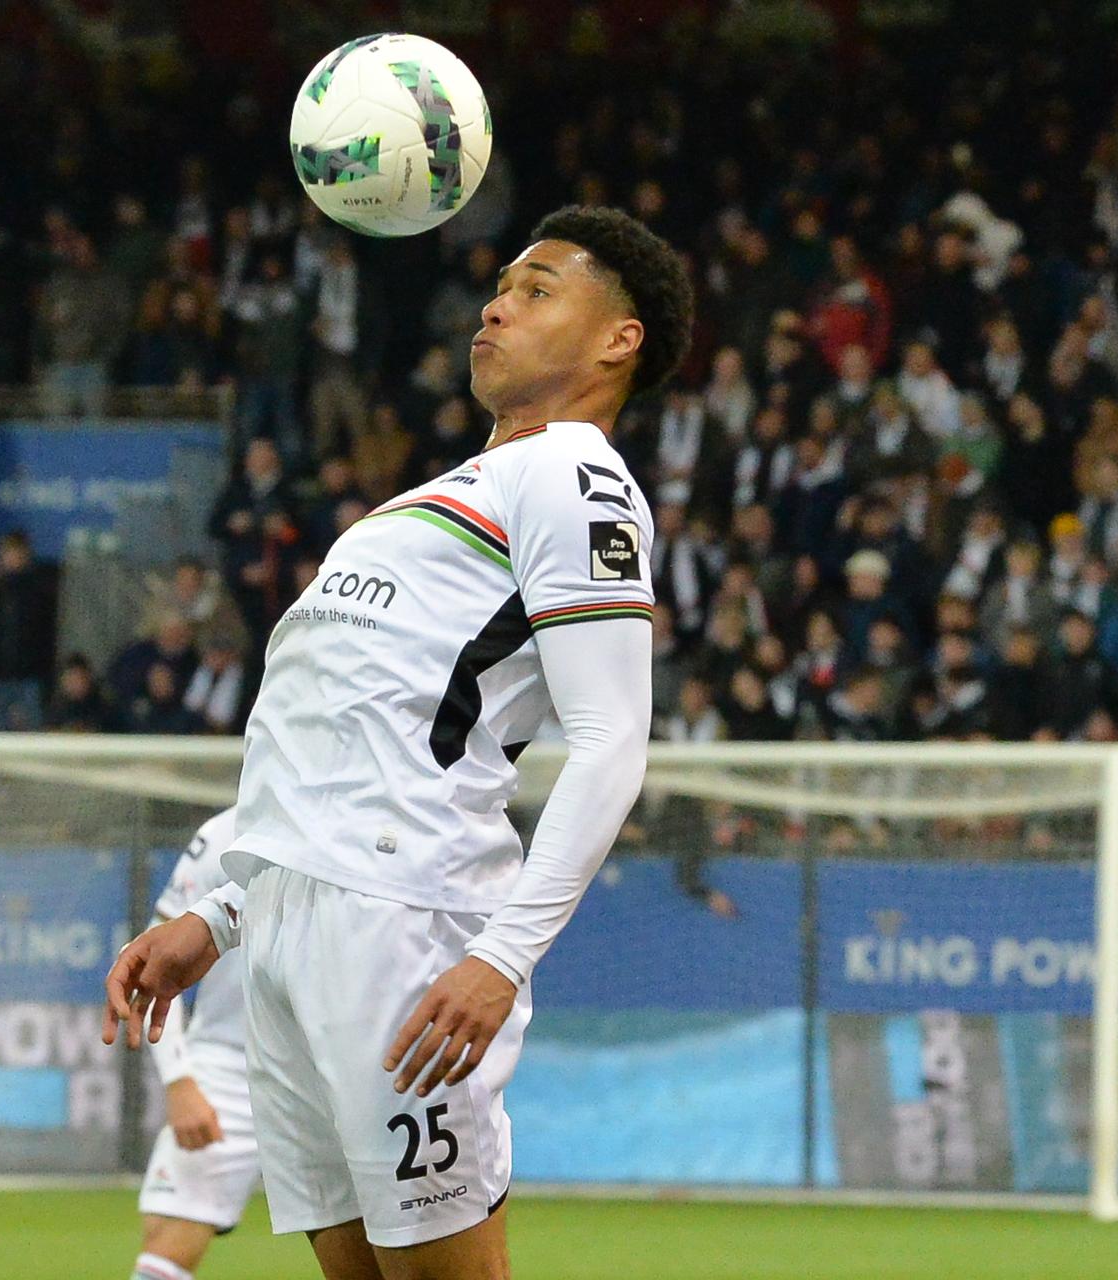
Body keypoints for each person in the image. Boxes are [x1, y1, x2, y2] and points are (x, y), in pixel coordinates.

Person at [105, 206, 690, 1279]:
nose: (496, 302)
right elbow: (353, 747)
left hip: (404, 920)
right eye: (502, 283)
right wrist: (225, 913)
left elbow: (612, 741)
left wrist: (502, 957)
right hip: (292, 917)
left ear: (620, 338)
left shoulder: (573, 475)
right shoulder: (429, 499)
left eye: (540, 286)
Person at [129, 808, 261, 1280]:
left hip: (348, 1066)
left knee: (390, 1244)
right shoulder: (224, 834)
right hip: (230, 1066)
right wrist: (180, 1079)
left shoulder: (373, 810)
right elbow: (153, 961)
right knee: (166, 1230)